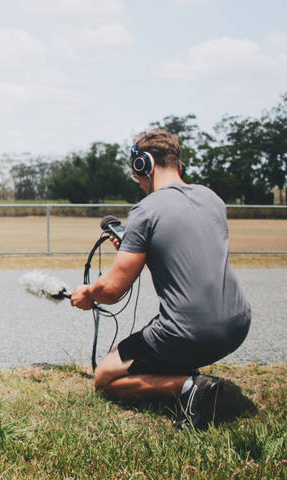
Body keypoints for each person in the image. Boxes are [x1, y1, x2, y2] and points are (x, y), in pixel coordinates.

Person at [69, 129, 251, 429]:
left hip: (188, 332)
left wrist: (87, 294)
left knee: (105, 378)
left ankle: (190, 387)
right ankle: (187, 376)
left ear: (143, 164)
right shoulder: (212, 199)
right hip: (237, 326)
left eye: (136, 173)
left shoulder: (146, 211)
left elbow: (112, 290)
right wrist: (138, 246)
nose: (138, 183)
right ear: (178, 165)